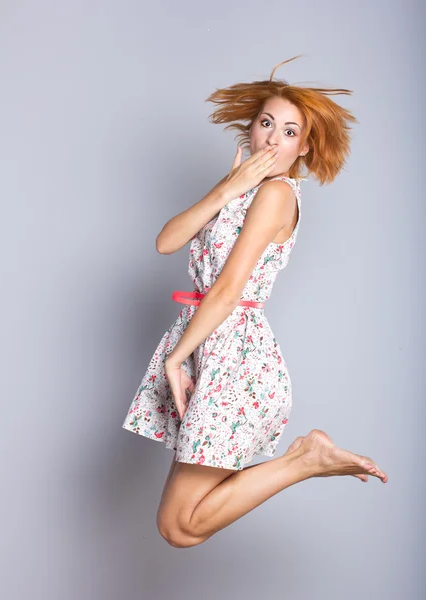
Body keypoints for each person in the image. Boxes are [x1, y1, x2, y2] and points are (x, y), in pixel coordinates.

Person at [122, 55, 388, 548]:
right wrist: (229, 186)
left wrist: (177, 358)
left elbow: (227, 292)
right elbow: (166, 241)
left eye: (290, 131)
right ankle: (304, 458)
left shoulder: (277, 197)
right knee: (178, 525)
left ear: (304, 146)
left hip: (235, 360)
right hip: (213, 347)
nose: (272, 138)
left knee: (180, 527)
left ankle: (305, 460)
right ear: (252, 125)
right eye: (267, 123)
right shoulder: (245, 189)